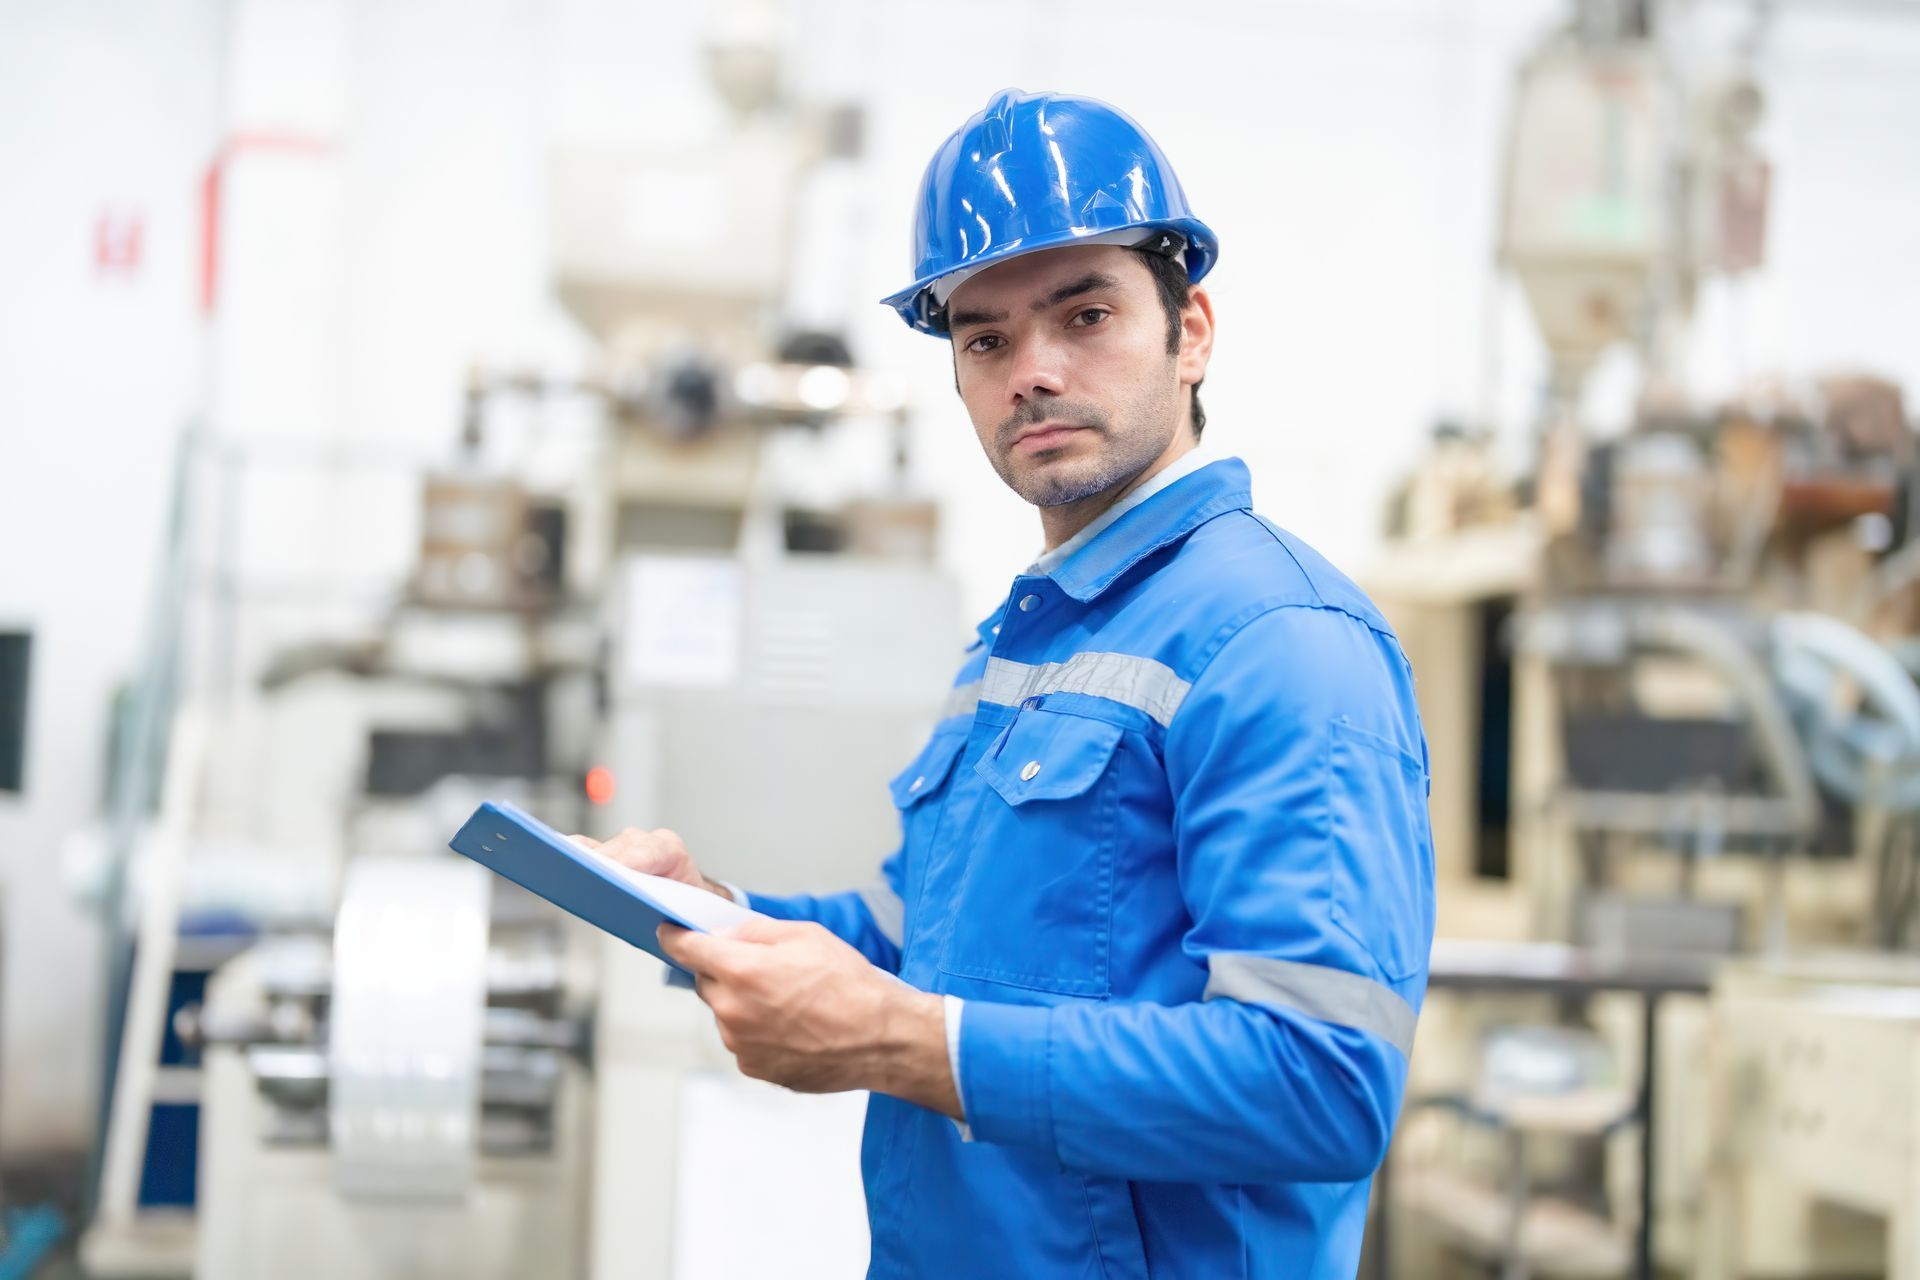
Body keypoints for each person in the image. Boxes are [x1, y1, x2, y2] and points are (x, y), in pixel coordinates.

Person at [577, 88, 1437, 1279]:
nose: (1030, 370)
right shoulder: (1017, 639)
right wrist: (714, 918)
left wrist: (899, 1040)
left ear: (1192, 330)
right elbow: (914, 939)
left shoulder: (1280, 639)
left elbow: (1321, 1081)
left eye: (1083, 315)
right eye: (985, 339)